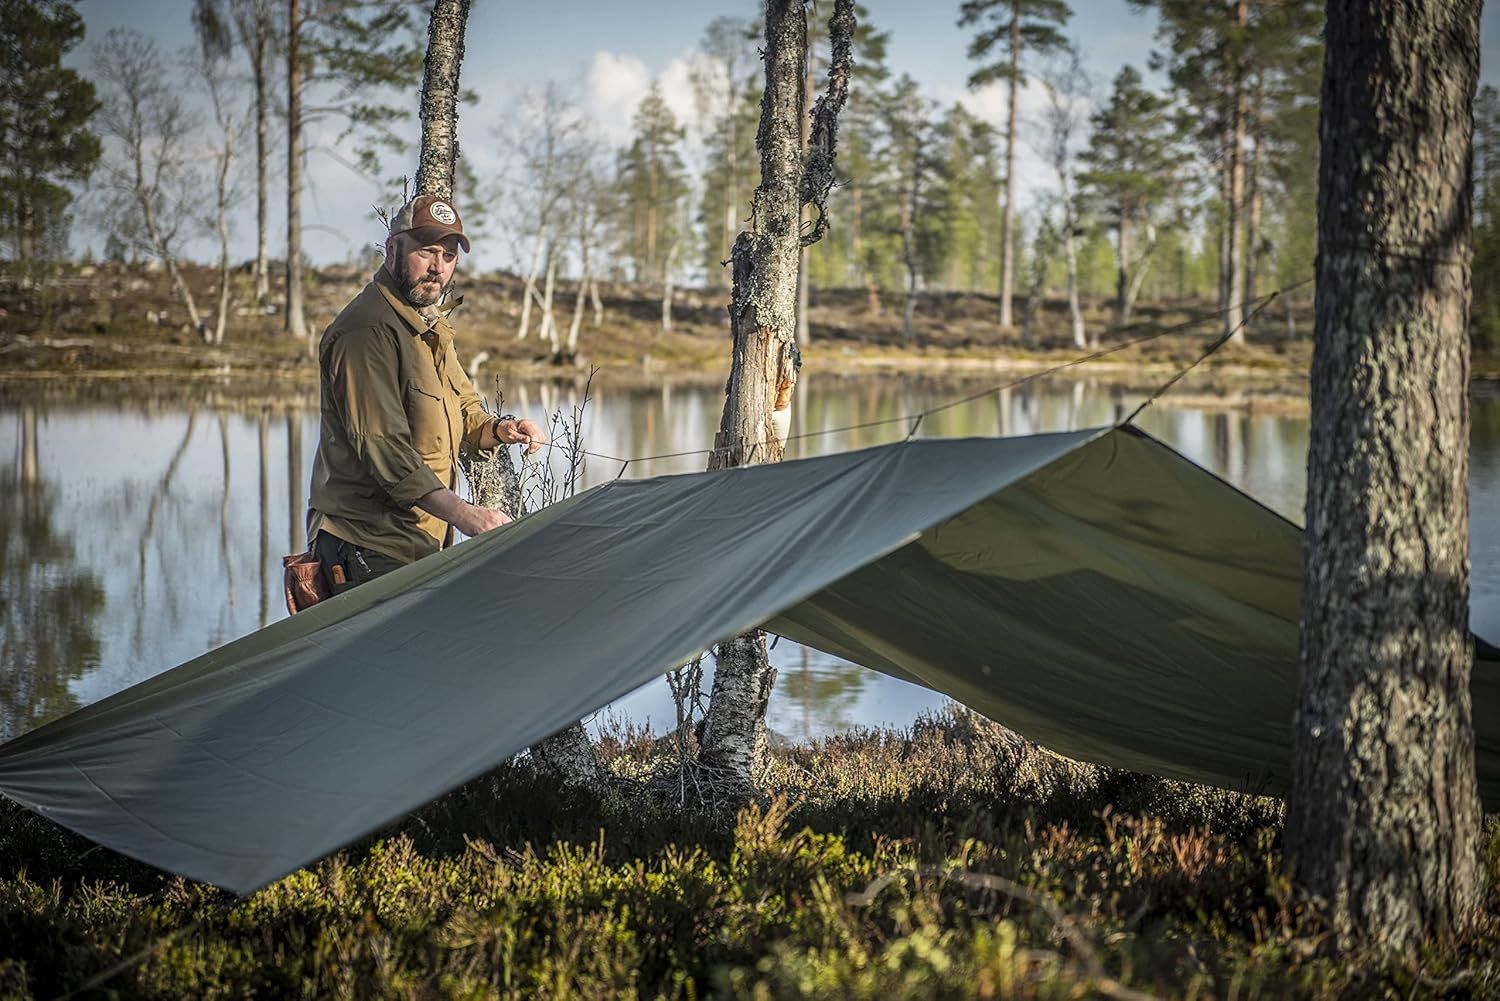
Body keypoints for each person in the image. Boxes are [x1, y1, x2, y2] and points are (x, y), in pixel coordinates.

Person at [305, 194, 547, 594]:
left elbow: (465, 412)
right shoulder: (366, 332)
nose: (438, 268)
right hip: (365, 548)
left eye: (449, 256)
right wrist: (465, 515)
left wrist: (503, 428)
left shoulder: (427, 327)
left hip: (415, 547)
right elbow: (385, 451)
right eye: (426, 251)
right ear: (392, 249)